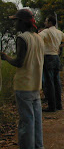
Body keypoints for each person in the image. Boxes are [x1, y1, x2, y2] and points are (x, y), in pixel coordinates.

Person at [0, 9, 45, 149]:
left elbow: (19, 62)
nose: (15, 25)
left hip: (23, 85)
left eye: (16, 21)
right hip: (36, 85)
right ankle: (39, 146)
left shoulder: (22, 38)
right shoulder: (39, 38)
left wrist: (6, 57)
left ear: (22, 22)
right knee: (36, 121)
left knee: (26, 122)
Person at [39, 15, 64, 112]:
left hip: (48, 57)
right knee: (56, 81)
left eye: (46, 21)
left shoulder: (46, 31)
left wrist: (38, 33)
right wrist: (59, 46)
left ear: (49, 23)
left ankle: (52, 106)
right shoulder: (59, 32)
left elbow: (37, 38)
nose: (45, 23)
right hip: (56, 57)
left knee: (49, 83)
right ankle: (59, 104)